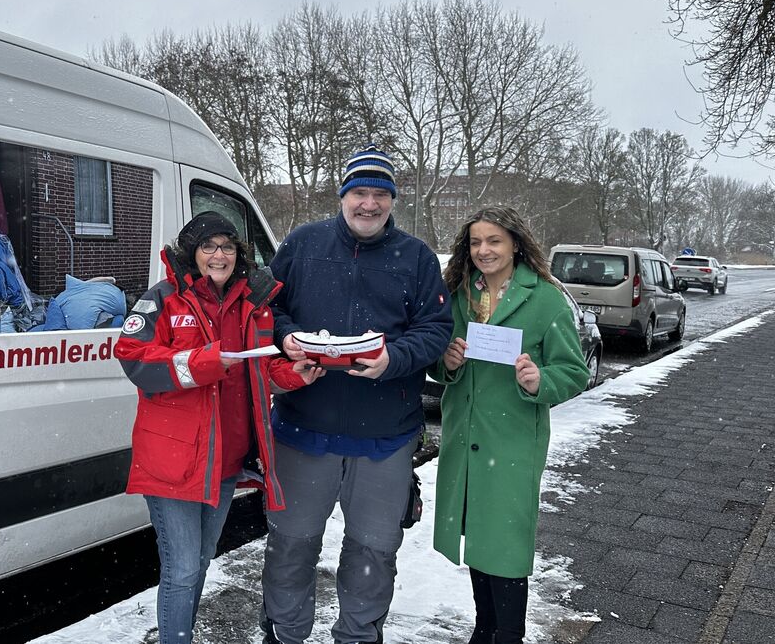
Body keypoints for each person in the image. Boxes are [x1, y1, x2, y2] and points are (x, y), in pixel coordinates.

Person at [261, 145, 453, 644]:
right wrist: (286, 339)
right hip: (305, 428)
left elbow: (435, 330)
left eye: (379, 194)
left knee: (373, 552)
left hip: (385, 437)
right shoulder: (303, 244)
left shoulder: (415, 257)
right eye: (359, 193)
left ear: (392, 199)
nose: (368, 204)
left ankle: (358, 636)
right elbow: (266, 311)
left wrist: (394, 360)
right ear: (343, 195)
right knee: (290, 545)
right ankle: (285, 633)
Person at [115, 211, 324, 644]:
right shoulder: (164, 299)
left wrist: (294, 375)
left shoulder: (251, 305)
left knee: (201, 560)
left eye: (227, 246)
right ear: (192, 252)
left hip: (224, 459)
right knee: (182, 567)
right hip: (173, 461)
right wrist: (201, 363)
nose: (219, 254)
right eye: (208, 246)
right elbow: (134, 359)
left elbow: (259, 371)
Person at [432, 206, 588, 644]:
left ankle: (508, 635)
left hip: (513, 440)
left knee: (505, 543)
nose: (484, 250)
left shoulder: (545, 298)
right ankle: (484, 630)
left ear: (516, 243)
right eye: (476, 242)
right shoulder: (459, 294)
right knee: (479, 539)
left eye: (494, 241)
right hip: (465, 437)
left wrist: (541, 380)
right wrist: (446, 363)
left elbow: (574, 371)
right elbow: (436, 360)